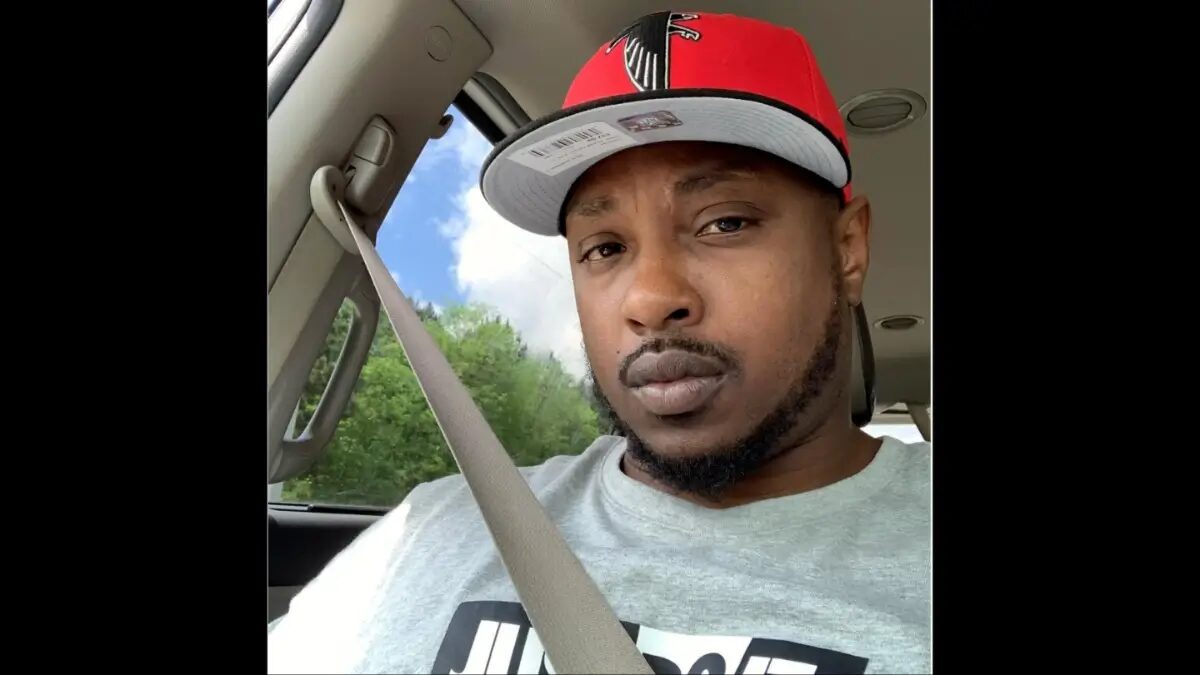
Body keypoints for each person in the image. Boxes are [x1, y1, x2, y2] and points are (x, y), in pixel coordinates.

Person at [268, 11, 930, 675]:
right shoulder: (428, 529)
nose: (649, 299)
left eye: (724, 223)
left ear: (847, 249)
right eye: (605, 248)